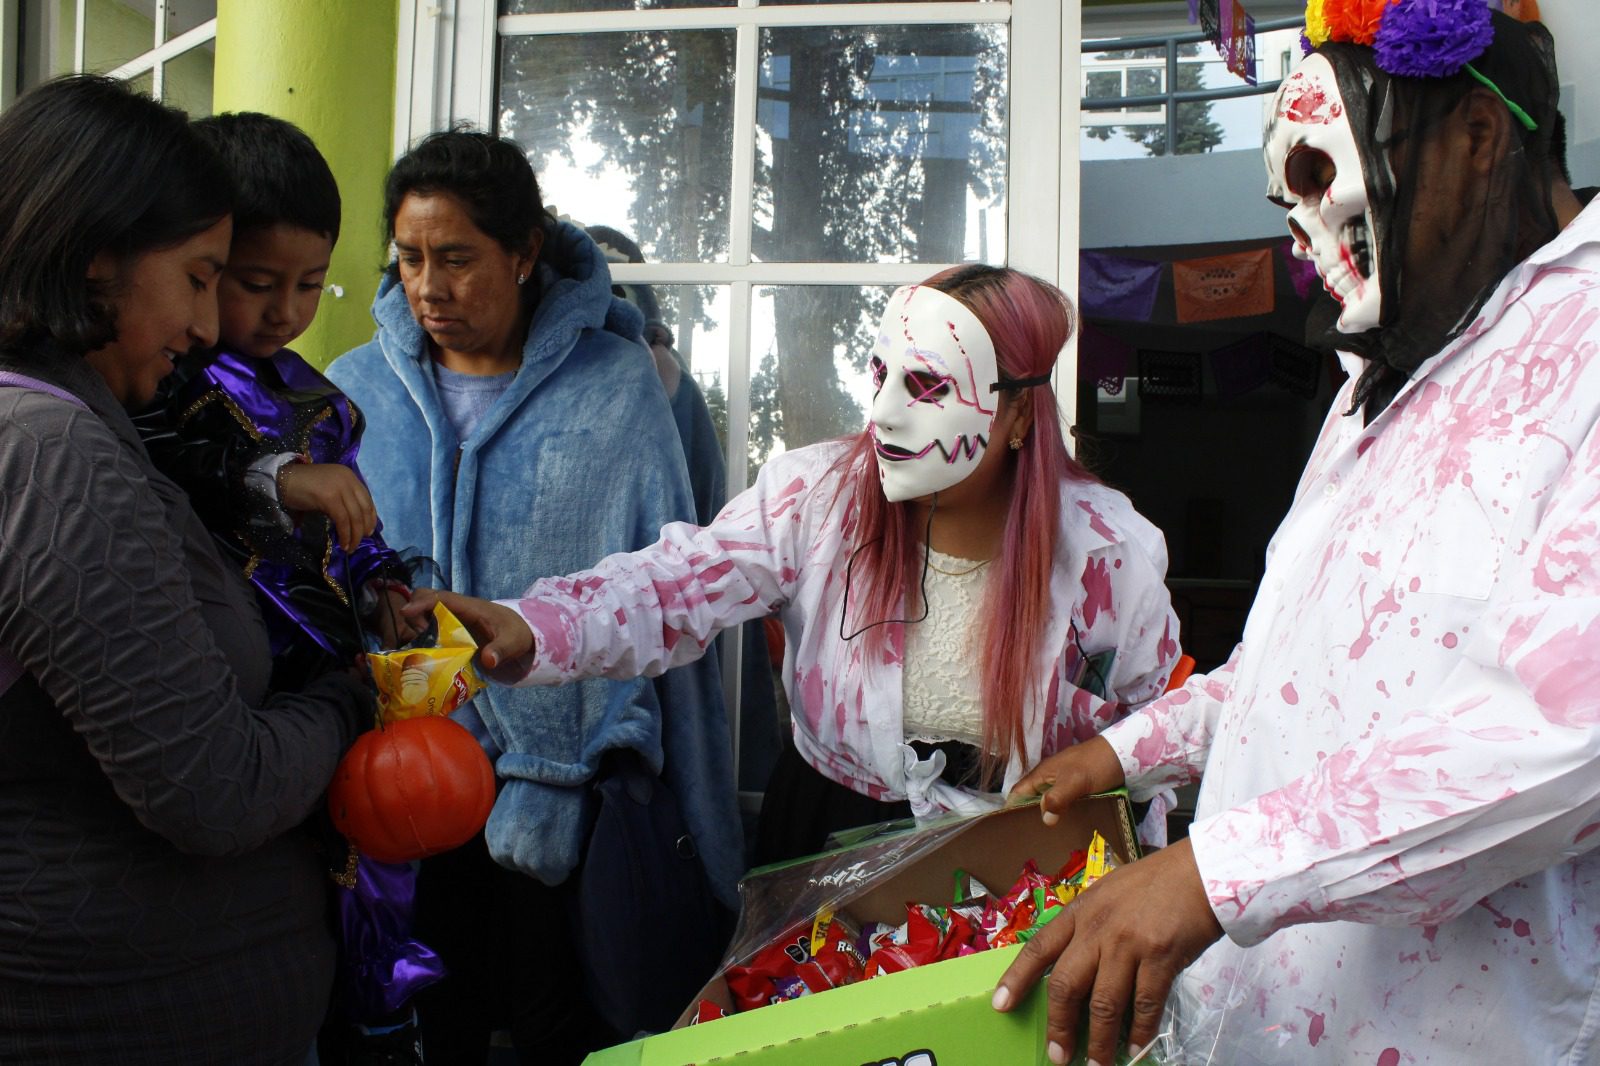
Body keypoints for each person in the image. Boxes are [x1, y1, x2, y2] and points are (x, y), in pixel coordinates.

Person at [991, 7, 1600, 1065]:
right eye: (1285, 198)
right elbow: (1296, 671)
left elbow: (1561, 735)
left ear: (1477, 136)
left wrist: (1212, 873)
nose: (1300, 231)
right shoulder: (1379, 375)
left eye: (1320, 172)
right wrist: (1127, 753)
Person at [408, 263, 1184, 864]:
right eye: (879, 373)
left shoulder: (1110, 557)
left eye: (927, 385)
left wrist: (1126, 813)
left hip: (1028, 865)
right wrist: (535, 625)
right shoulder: (815, 500)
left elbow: (1162, 731)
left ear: (1019, 411)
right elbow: (675, 583)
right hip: (827, 836)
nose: (881, 412)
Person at [326, 130, 739, 1065]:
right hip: (403, 791)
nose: (430, 285)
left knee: (569, 1030)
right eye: (411, 258)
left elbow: (673, 591)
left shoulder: (617, 387)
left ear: (522, 253)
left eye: (458, 258)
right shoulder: (354, 394)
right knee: (435, 1026)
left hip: (567, 804)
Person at [0, 76, 373, 1064]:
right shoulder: (52, 455)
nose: (209, 329)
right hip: (115, 1015)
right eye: (204, 275)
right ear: (95, 261)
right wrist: (350, 699)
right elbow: (215, 788)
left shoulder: (67, 427)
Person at [132, 112, 438, 1064]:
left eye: (312, 285)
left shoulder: (318, 398)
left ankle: (385, 1018)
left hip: (337, 682)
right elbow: (179, 458)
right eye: (256, 284)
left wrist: (389, 583)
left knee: (374, 874)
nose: (285, 312)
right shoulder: (165, 383)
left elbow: (355, 536)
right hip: (242, 697)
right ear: (202, 259)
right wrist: (275, 475)